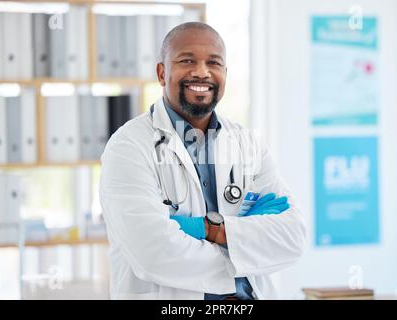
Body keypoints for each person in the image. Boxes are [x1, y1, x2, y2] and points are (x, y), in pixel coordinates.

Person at [100, 22, 306, 300]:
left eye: (214, 62)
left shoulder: (248, 144)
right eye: (187, 60)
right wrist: (243, 244)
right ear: (162, 72)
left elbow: (291, 237)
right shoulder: (128, 147)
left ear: (224, 73)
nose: (201, 72)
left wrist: (207, 229)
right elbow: (153, 252)